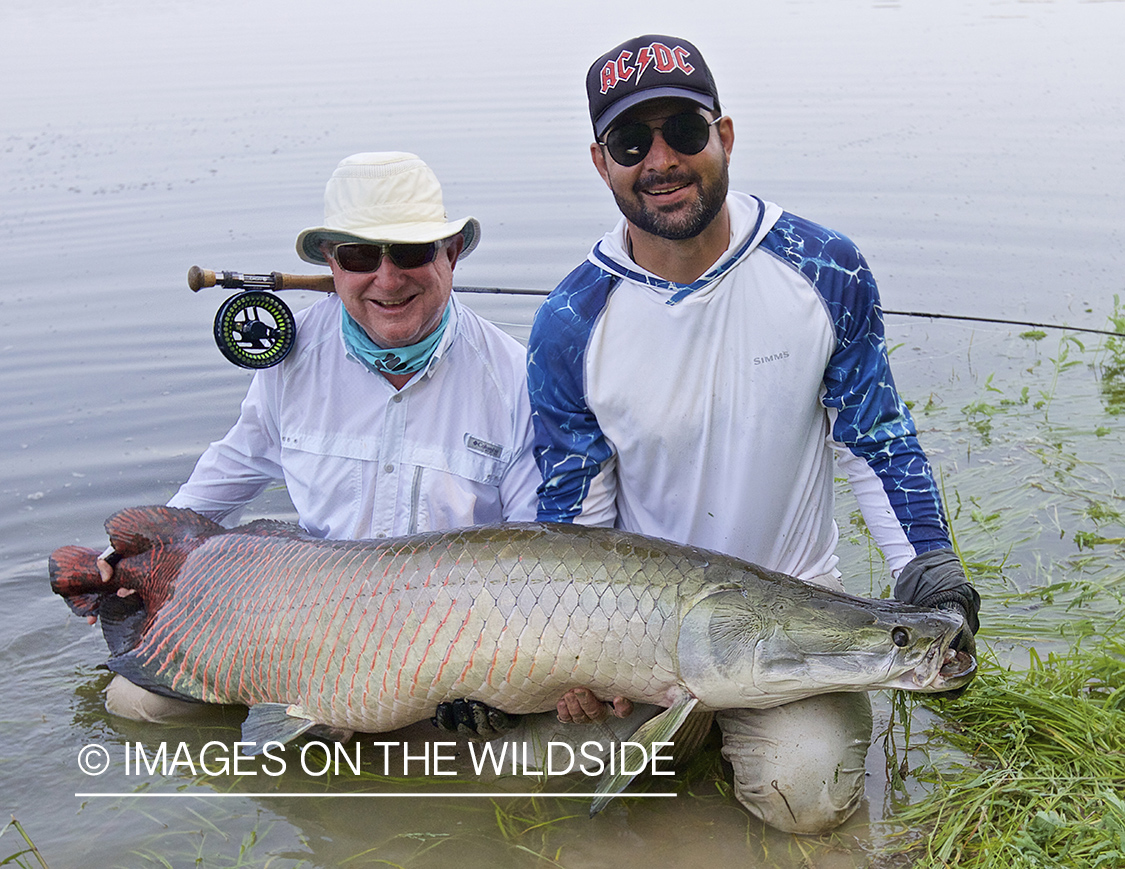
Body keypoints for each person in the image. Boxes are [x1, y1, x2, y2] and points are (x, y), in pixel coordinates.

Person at [526, 35, 981, 834]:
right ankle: (679, 736)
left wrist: (930, 573)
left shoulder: (821, 266)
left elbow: (875, 439)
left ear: (724, 137)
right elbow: (571, 522)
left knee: (807, 800)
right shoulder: (569, 323)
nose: (661, 159)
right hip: (637, 629)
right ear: (602, 162)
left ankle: (747, 737)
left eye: (684, 133)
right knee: (544, 778)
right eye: (634, 142)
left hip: (794, 614)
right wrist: (574, 660)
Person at [101, 151, 540, 722]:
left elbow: (536, 552)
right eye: (360, 256)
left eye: (410, 252)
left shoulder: (515, 379)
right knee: (138, 704)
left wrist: (497, 671)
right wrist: (141, 556)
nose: (387, 279)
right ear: (332, 264)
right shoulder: (291, 359)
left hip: (456, 645)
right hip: (306, 625)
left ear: (450, 253)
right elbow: (234, 466)